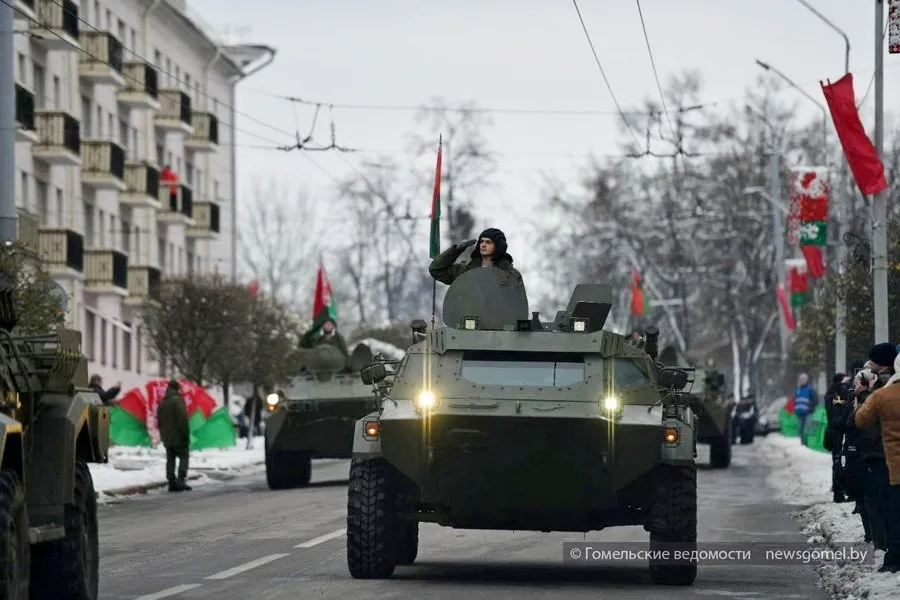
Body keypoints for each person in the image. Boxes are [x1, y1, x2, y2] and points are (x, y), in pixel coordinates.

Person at [853, 351, 900, 573]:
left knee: (893, 511)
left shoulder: (883, 396)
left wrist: (868, 393)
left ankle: (894, 558)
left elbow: (861, 419)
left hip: (891, 465)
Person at [428, 228, 523, 286]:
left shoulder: (511, 275)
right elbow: (436, 270)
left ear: (498, 246)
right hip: (468, 318)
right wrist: (455, 250)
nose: (483, 245)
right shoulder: (464, 272)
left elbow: (519, 304)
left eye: (488, 242)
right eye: (482, 241)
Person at [156, 379, 191, 492]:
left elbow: (159, 420)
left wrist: (163, 434)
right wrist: (185, 434)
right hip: (178, 435)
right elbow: (182, 419)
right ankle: (181, 480)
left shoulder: (162, 402)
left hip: (166, 436)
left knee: (170, 459)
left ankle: (171, 482)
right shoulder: (178, 401)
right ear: (177, 388)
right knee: (184, 456)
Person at [824, 372, 849, 503]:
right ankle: (838, 493)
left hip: (836, 431)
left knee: (839, 461)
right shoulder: (832, 397)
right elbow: (838, 410)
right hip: (836, 432)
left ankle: (840, 490)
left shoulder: (833, 395)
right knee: (838, 461)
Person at [793, 373, 818, 446]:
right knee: (800, 429)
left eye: (803, 379)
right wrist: (795, 408)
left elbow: (815, 401)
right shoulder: (798, 390)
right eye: (801, 379)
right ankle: (802, 443)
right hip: (799, 413)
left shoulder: (810, 389)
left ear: (807, 380)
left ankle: (808, 443)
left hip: (808, 413)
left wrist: (810, 408)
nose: (802, 381)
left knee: (807, 429)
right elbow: (795, 400)